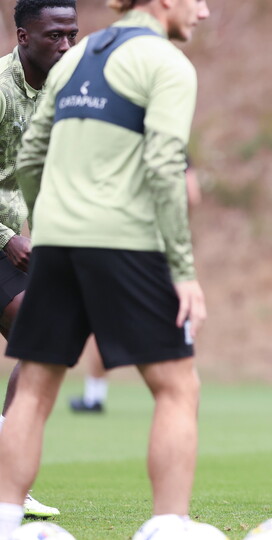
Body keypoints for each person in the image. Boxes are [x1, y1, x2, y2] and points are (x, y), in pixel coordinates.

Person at [0, 0, 210, 537]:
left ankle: (4, 519)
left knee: (34, 391)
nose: (204, 11)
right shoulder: (166, 63)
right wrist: (183, 270)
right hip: (124, 243)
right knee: (177, 387)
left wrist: (50, 224)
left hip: (57, 243)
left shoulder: (74, 58)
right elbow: (165, 166)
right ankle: (167, 526)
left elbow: (30, 158)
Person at [0, 0, 78, 519]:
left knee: (43, 338)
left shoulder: (61, 89)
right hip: (1, 237)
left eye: (72, 33)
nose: (66, 45)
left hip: (11, 237)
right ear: (23, 37)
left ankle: (8, 474)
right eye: (54, 35)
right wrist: (8, 237)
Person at [69, 165, 201, 414]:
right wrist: (176, 227)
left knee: (102, 320)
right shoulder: (167, 149)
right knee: (173, 317)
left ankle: (94, 396)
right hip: (156, 248)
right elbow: (191, 193)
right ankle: (182, 383)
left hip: (118, 245)